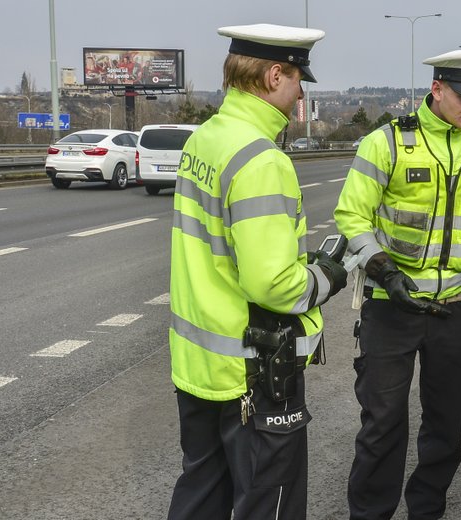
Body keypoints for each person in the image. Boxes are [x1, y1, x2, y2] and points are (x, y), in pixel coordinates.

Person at [166, 23, 347, 519]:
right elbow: (272, 283)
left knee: (200, 494)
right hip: (255, 372)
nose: (300, 92)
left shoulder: (205, 139)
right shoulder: (261, 159)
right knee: (270, 504)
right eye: (297, 79)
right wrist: (325, 276)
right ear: (273, 76)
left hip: (199, 367)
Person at [335, 49, 461, 520]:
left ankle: (427, 512)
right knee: (382, 426)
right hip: (392, 306)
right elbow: (351, 216)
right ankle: (370, 514)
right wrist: (383, 271)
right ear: (436, 89)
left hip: (457, 310)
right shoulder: (386, 143)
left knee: (445, 429)